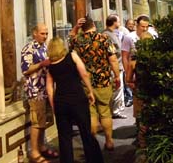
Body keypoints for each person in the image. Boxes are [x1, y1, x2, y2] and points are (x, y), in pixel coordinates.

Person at [46, 37, 104, 163]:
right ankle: (94, 159)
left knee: (64, 136)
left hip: (61, 102)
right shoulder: (72, 56)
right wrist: (90, 90)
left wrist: (53, 105)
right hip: (78, 99)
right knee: (85, 132)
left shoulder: (51, 66)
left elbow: (49, 88)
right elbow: (84, 74)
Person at [69, 15, 120, 151]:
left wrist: (76, 27)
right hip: (103, 81)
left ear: (82, 27)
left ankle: (93, 142)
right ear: (94, 26)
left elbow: (70, 39)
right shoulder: (104, 38)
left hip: (85, 83)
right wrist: (117, 76)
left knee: (90, 113)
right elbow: (113, 59)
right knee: (105, 111)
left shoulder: (77, 40)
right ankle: (109, 141)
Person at [21, 23, 58, 163]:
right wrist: (42, 64)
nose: (45, 36)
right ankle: (34, 152)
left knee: (43, 121)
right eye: (42, 33)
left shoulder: (44, 47)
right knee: (37, 122)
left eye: (47, 33)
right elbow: (25, 69)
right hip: (35, 91)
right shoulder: (28, 49)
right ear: (34, 33)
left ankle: (41, 147)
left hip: (46, 90)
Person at [126, 31, 153, 148]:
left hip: (140, 92)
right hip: (154, 92)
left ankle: (142, 145)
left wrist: (134, 87)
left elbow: (128, 79)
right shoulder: (156, 58)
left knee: (141, 119)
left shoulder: (134, 60)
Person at [122, 15, 150, 107]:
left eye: (147, 26)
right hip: (135, 73)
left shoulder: (152, 36)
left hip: (150, 74)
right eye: (142, 26)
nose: (145, 29)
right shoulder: (129, 37)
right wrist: (128, 75)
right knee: (138, 103)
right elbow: (125, 57)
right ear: (137, 25)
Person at [103, 14, 126, 119]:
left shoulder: (112, 34)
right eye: (118, 21)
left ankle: (115, 110)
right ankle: (114, 111)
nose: (120, 23)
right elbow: (112, 53)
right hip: (114, 67)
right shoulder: (107, 35)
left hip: (118, 65)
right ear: (114, 22)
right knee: (116, 89)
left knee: (118, 90)